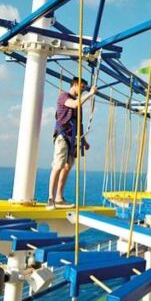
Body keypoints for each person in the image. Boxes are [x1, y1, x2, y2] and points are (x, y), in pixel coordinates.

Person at [47, 77, 96, 209]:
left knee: (67, 167)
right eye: (81, 87)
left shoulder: (77, 105)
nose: (83, 89)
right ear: (74, 84)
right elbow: (74, 104)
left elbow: (78, 123)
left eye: (84, 88)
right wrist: (90, 94)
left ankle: (59, 197)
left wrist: (83, 141)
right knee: (58, 165)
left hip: (72, 137)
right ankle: (51, 198)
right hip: (63, 136)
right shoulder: (64, 97)